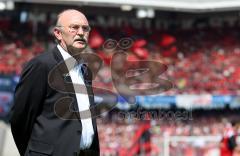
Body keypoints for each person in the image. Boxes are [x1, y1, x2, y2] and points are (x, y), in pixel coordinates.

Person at [9, 9, 100, 156]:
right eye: (74, 27)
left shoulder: (84, 71)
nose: (81, 32)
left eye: (85, 28)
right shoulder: (41, 65)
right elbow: (20, 117)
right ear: (58, 33)